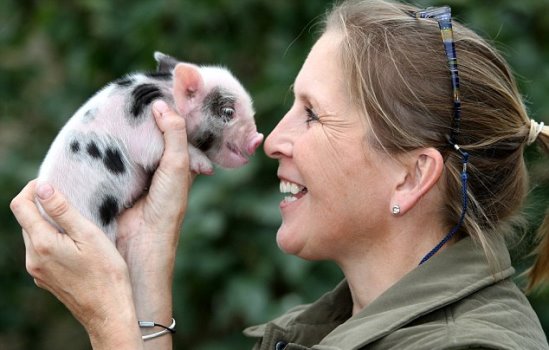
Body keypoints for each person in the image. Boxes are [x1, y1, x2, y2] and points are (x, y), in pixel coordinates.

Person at [10, 0, 549, 348]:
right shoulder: (340, 328)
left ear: (411, 178)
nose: (274, 140)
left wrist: (111, 323)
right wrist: (145, 265)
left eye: (312, 113)